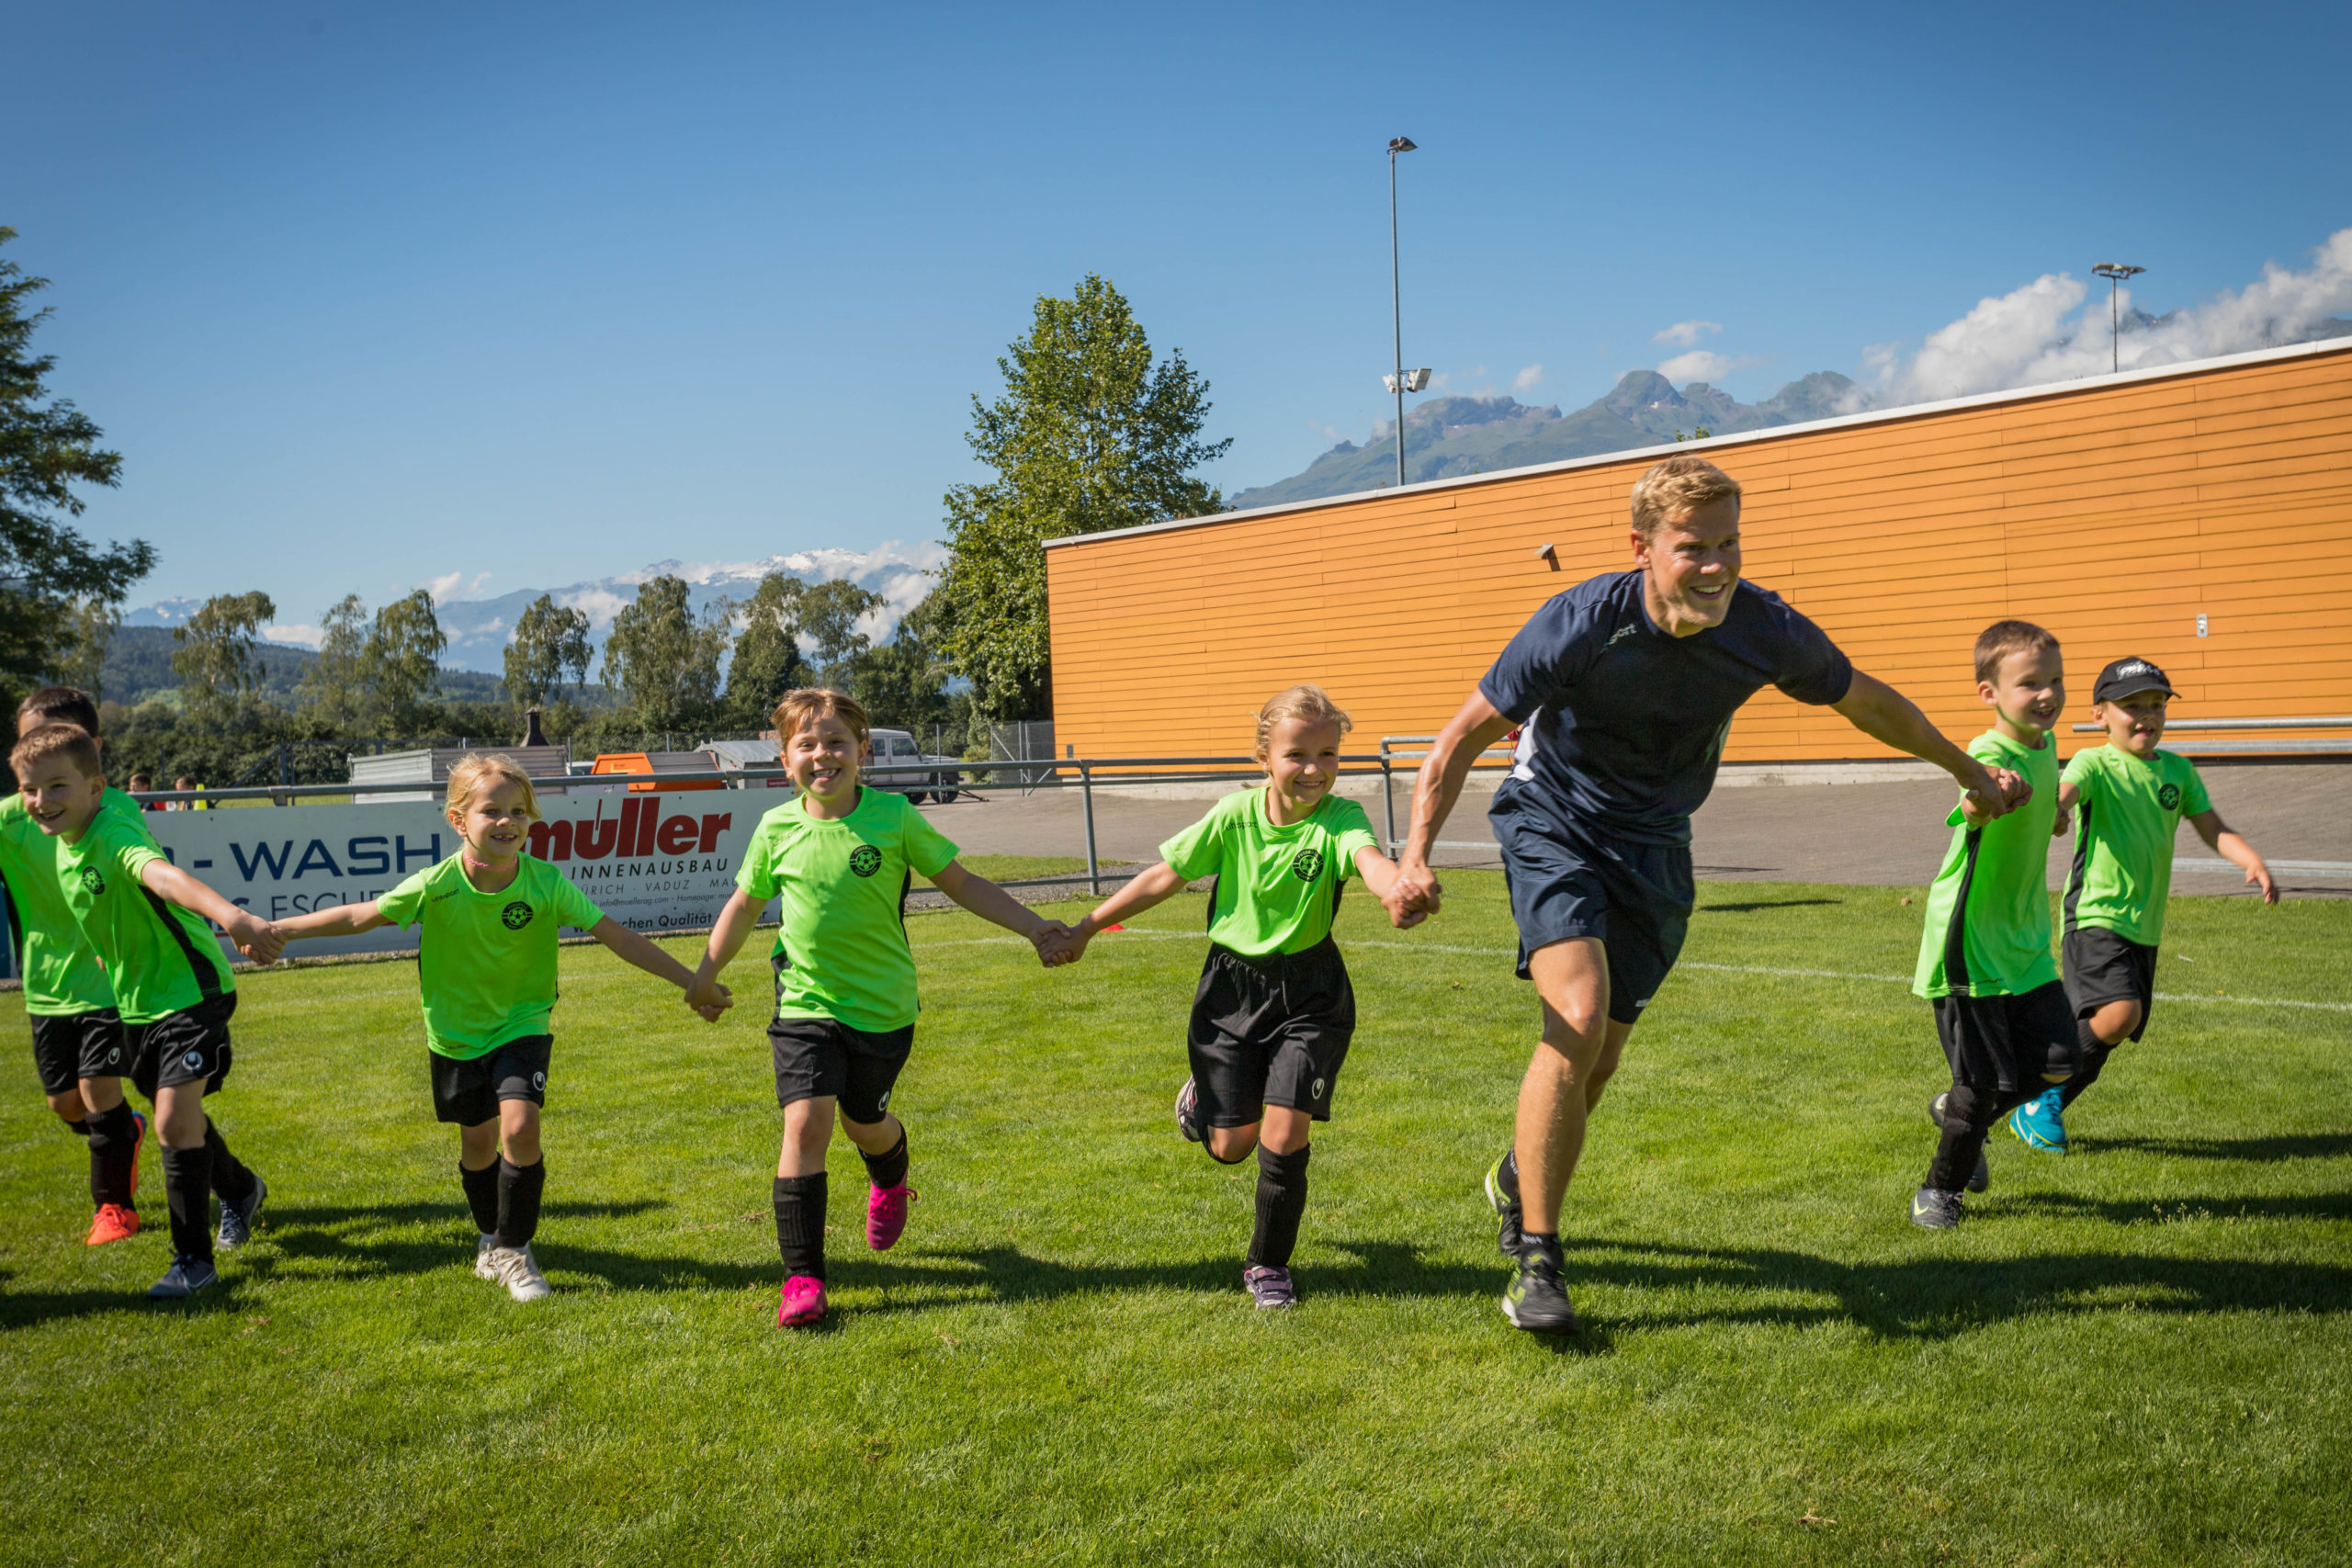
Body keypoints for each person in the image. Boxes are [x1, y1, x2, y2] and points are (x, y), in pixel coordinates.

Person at [1388, 456, 2028, 1332]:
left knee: (1600, 1059)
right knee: (1576, 1015)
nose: (1718, 565)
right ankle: (1538, 1257)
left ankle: (1517, 1170)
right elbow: (1459, 739)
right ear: (1642, 547)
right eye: (1694, 547)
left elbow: (1869, 704)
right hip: (1554, 818)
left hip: (1656, 845)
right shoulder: (1581, 622)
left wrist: (1967, 768)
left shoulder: (1764, 627)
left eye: (1730, 542)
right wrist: (1415, 856)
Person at [270, 754, 727, 1302]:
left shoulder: (546, 883)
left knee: (520, 1129)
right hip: (455, 1036)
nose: (507, 821)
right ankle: (491, 1236)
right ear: (459, 819)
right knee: (478, 1144)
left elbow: (619, 937)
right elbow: (357, 916)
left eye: (518, 811)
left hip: (522, 1025)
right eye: (492, 811)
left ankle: (514, 1250)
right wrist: (279, 930)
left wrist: (692, 982)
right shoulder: (435, 885)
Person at [685, 688, 1065, 1329]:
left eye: (836, 741)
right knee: (805, 1125)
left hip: (885, 1010)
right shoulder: (776, 828)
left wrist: (1034, 927)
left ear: (862, 751)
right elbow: (744, 906)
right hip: (805, 1003)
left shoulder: (894, 817)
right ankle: (804, 1279)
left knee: (865, 1124)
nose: (822, 755)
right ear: (785, 759)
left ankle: (889, 1174)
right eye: (807, 744)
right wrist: (705, 974)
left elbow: (962, 882)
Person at [1044, 685, 1398, 1309]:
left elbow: (1368, 860)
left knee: (1285, 1131)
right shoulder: (1233, 817)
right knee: (1231, 1146)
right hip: (1231, 991)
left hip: (1311, 995)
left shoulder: (1340, 818)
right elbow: (1166, 875)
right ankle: (1202, 1098)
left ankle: (1268, 1265)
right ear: (1264, 757)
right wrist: (1087, 927)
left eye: (1327, 754)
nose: (1313, 769)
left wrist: (1396, 886)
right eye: (1297, 754)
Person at [17, 723, 283, 1298]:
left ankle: (193, 1262)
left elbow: (163, 877)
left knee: (170, 1122)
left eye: (57, 786)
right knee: (180, 1119)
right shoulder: (64, 848)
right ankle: (240, 1190)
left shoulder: (113, 831)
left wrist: (231, 916)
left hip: (191, 993)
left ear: (96, 788)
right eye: (30, 789)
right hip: (137, 1006)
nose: (42, 800)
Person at [2005, 656, 2278, 1155]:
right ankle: (2031, 1092)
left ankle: (2038, 1095)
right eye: (2132, 706)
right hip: (2096, 914)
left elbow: (2212, 827)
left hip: (2144, 927)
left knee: (2112, 1025)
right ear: (2099, 715)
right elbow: (2066, 793)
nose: (2146, 714)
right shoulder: (2095, 761)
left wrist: (2251, 859)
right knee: (2119, 1014)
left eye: (2156, 704)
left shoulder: (2177, 770)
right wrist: (2057, 810)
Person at [1908, 621, 2075, 1229]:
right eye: (2029, 683)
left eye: (2055, 679)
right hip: (1972, 940)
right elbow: (1974, 800)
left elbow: (2041, 809)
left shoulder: (2044, 746)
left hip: (2025, 938)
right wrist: (1989, 793)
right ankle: (1939, 1191)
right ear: (1990, 693)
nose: (2047, 693)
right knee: (1980, 1084)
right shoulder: (1990, 754)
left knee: (2060, 1058)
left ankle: (1957, 1113)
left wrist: (2053, 815)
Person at [1, 688, 149, 1245]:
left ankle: (114, 1210)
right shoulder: (12, 818)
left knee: (97, 1088)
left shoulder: (115, 810)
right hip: (46, 984)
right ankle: (125, 1133)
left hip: (109, 979)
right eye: (29, 743)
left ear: (92, 750)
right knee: (64, 1103)